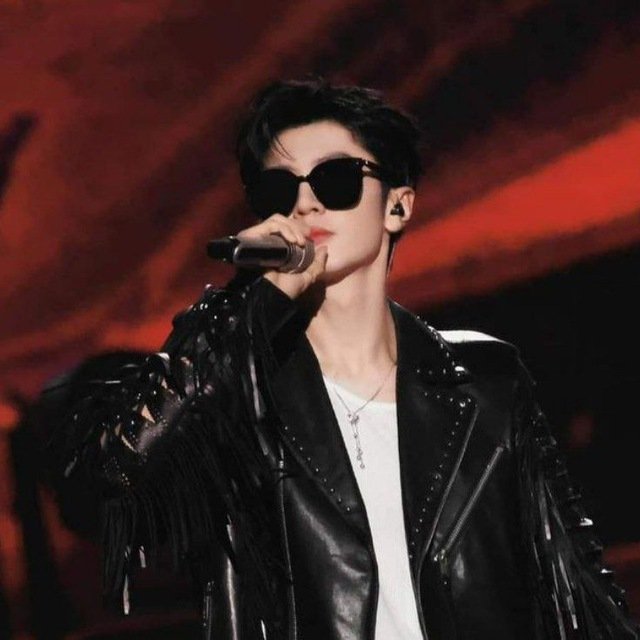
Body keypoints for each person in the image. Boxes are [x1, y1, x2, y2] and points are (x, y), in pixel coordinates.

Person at [45, 78, 639, 639]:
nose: (305, 203)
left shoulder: (486, 380)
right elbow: (106, 482)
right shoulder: (235, 391)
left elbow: (576, 581)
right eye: (281, 189)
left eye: (336, 179)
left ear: (397, 206)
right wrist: (247, 313)